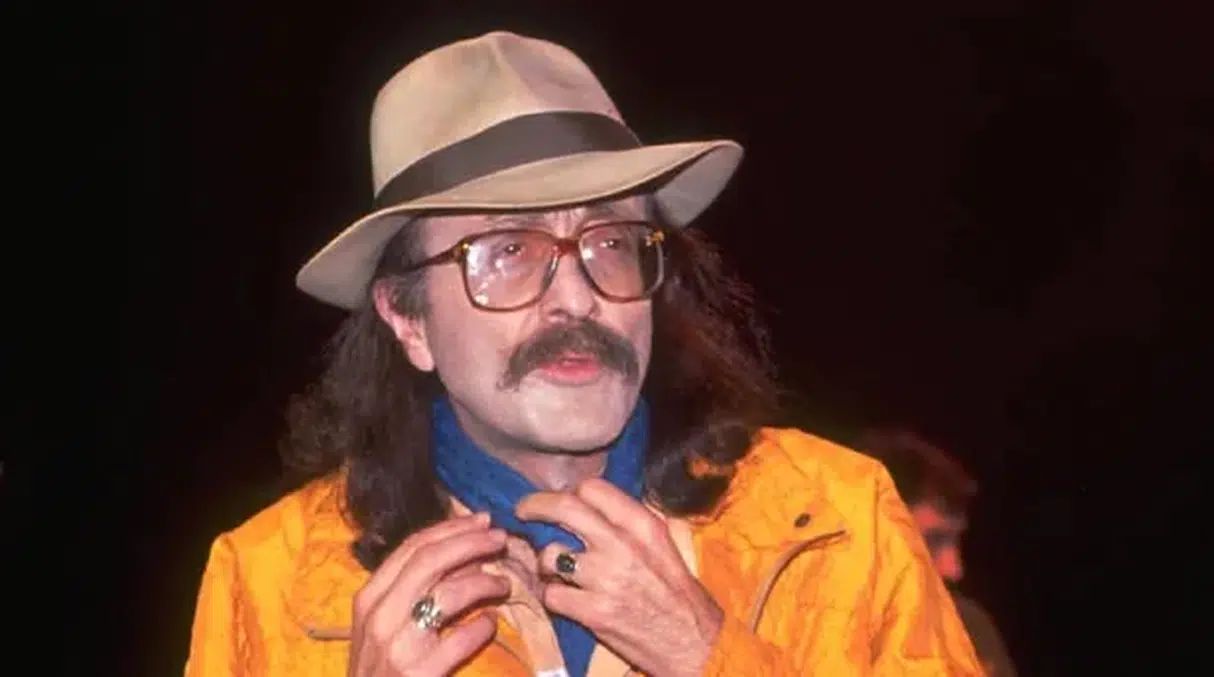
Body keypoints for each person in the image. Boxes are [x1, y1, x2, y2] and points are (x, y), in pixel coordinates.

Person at [183, 30, 984, 677]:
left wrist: (708, 655)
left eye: (611, 242)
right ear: (407, 318)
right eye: (507, 251)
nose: (576, 297)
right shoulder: (269, 580)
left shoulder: (837, 520)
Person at [857, 429, 1019, 677]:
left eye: (955, 540)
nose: (954, 569)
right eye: (933, 541)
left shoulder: (968, 628)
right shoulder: (806, 633)